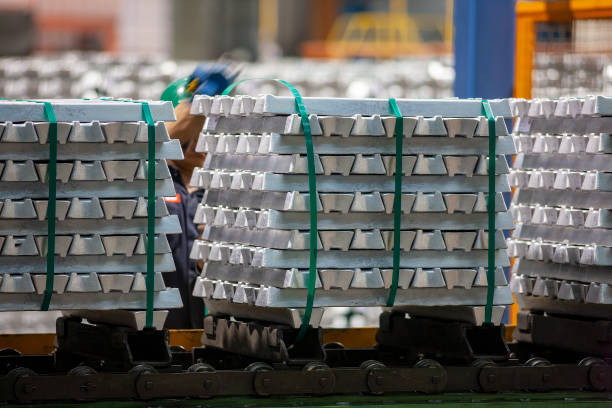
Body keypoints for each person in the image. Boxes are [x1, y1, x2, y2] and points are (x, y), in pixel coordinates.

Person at [162, 64, 239, 329]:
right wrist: (195, 106)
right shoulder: (148, 182)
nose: (200, 145)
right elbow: (153, 144)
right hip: (154, 331)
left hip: (210, 333)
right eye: (192, 134)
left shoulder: (226, 189)